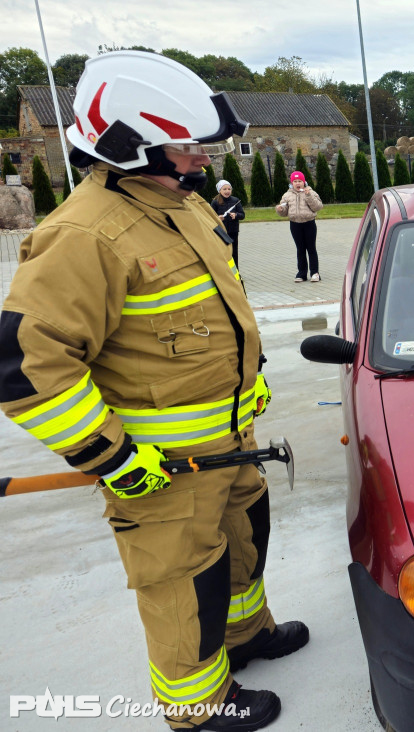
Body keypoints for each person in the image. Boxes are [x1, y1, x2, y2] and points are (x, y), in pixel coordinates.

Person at [0, 51, 307, 731]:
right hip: (159, 468)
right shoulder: (85, 234)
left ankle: (243, 638)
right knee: (182, 582)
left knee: (241, 543)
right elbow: (24, 365)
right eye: (187, 145)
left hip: (227, 448)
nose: (202, 158)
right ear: (128, 147)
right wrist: (109, 459)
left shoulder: (179, 204)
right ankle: (199, 706)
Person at [276, 170, 323, 282]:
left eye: (300, 181)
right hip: (295, 225)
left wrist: (308, 196)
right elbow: (284, 212)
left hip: (309, 223)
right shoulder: (287, 195)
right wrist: (280, 209)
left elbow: (318, 207)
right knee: (300, 249)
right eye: (295, 181)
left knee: (311, 248)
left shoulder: (311, 192)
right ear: (292, 183)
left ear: (304, 182)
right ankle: (301, 273)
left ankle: (315, 273)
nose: (297, 183)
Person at [211, 179, 245, 264]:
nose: (227, 191)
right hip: (221, 232)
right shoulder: (215, 202)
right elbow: (210, 217)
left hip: (233, 231)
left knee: (234, 253)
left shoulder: (235, 200)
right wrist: (217, 218)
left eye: (229, 189)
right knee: (223, 253)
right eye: (224, 189)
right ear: (219, 190)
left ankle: (236, 274)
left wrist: (236, 215)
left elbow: (242, 215)